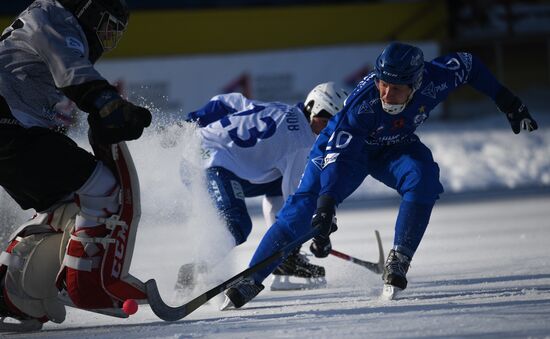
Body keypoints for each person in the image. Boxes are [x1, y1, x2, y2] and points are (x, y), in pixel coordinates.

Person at [221, 41, 538, 309]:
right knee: (304, 209)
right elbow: (336, 159)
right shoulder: (362, 106)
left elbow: (471, 65)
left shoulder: (440, 76)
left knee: (424, 177)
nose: (386, 94)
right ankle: (250, 279)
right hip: (346, 152)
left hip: (394, 146)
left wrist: (508, 101)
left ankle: (399, 260)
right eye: (382, 85)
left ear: (416, 85)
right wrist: (327, 205)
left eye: (395, 89)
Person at [0, 0, 151, 327]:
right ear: (88, 10)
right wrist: (106, 101)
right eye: (108, 27)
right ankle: (87, 286)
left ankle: (15, 294)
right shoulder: (54, 16)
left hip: (14, 129)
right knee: (106, 190)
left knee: (64, 206)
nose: (106, 38)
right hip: (9, 128)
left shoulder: (47, 20)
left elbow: (72, 80)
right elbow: (73, 72)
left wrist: (107, 106)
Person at [176, 82, 348, 292]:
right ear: (311, 108)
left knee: (277, 181)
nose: (328, 129)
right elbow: (300, 201)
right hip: (208, 163)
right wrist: (320, 236)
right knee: (237, 224)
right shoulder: (302, 143)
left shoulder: (281, 108)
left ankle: (285, 258)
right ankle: (193, 272)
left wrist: (190, 122)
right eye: (325, 120)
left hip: (211, 159)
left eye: (335, 124)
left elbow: (227, 102)